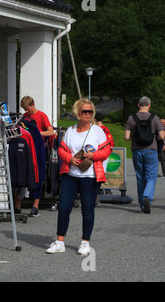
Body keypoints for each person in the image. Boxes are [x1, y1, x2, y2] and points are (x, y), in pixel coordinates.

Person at [46, 98, 112, 255]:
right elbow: (62, 149)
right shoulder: (70, 131)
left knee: (87, 210)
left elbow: (107, 150)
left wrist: (93, 155)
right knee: (63, 208)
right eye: (84, 111)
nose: (88, 114)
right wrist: (69, 159)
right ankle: (60, 242)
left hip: (90, 176)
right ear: (78, 113)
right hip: (71, 175)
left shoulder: (98, 131)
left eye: (90, 111)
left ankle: (85, 242)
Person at [124, 97, 164, 213]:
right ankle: (147, 197)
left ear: (138, 105)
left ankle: (142, 205)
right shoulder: (155, 118)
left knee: (140, 177)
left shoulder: (132, 118)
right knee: (151, 177)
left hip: (137, 151)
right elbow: (161, 136)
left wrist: (135, 137)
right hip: (151, 150)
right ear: (149, 105)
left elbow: (126, 137)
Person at [20, 96, 54, 217]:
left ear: (33, 105)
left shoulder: (42, 115)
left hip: (39, 148)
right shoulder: (24, 117)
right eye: (25, 109)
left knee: (38, 175)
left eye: (28, 109)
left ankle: (36, 205)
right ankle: (18, 204)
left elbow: (51, 132)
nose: (26, 112)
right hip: (27, 149)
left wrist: (37, 133)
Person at [94, 112, 115, 204]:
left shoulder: (94, 129)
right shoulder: (106, 129)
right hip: (104, 154)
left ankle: (97, 193)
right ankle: (105, 188)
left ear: (94, 119)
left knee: (95, 173)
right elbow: (111, 143)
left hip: (96, 154)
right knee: (103, 172)